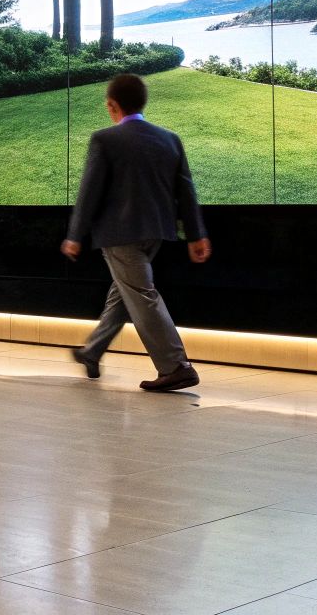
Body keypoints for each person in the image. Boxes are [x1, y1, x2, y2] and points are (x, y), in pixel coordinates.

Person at [61, 73, 211, 392]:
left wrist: (75, 235)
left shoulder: (105, 139)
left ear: (112, 105)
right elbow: (186, 191)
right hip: (155, 233)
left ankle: (176, 366)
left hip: (119, 235)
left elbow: (90, 191)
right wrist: (197, 235)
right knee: (124, 293)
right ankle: (92, 352)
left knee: (141, 295)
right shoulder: (169, 139)